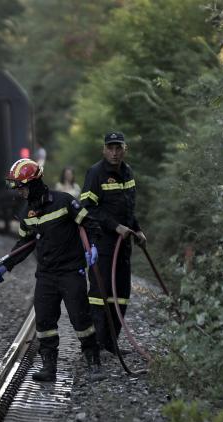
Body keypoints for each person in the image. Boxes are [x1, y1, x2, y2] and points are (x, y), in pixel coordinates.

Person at [0, 158, 103, 381]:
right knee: (44, 322)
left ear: (33, 183)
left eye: (21, 187)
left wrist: (93, 246)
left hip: (71, 271)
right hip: (46, 275)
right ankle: (49, 368)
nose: (19, 192)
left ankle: (94, 363)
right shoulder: (27, 213)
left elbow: (89, 224)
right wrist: (6, 265)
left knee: (81, 320)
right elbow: (23, 245)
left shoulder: (64, 202)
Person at [80, 131, 146, 355]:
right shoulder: (96, 173)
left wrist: (137, 229)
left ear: (125, 149)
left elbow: (128, 208)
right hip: (103, 244)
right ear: (104, 150)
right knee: (101, 295)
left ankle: (111, 342)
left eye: (119, 148)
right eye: (111, 148)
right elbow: (87, 207)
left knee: (122, 294)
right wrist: (114, 226)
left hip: (123, 246)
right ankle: (96, 344)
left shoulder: (128, 173)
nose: (115, 152)